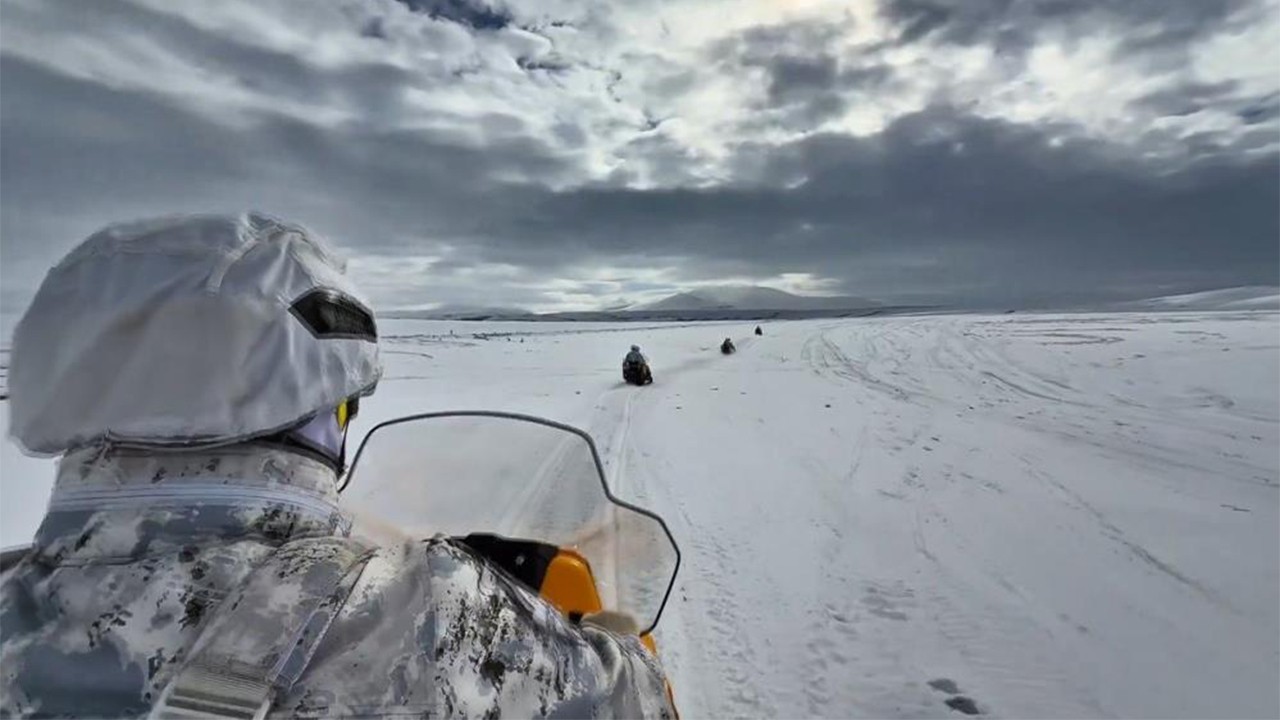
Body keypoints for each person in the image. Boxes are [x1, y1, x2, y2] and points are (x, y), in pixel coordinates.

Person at [0, 213, 675, 718]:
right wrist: (596, 636)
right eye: (344, 407)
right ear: (324, 412)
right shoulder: (424, 612)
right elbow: (638, 704)